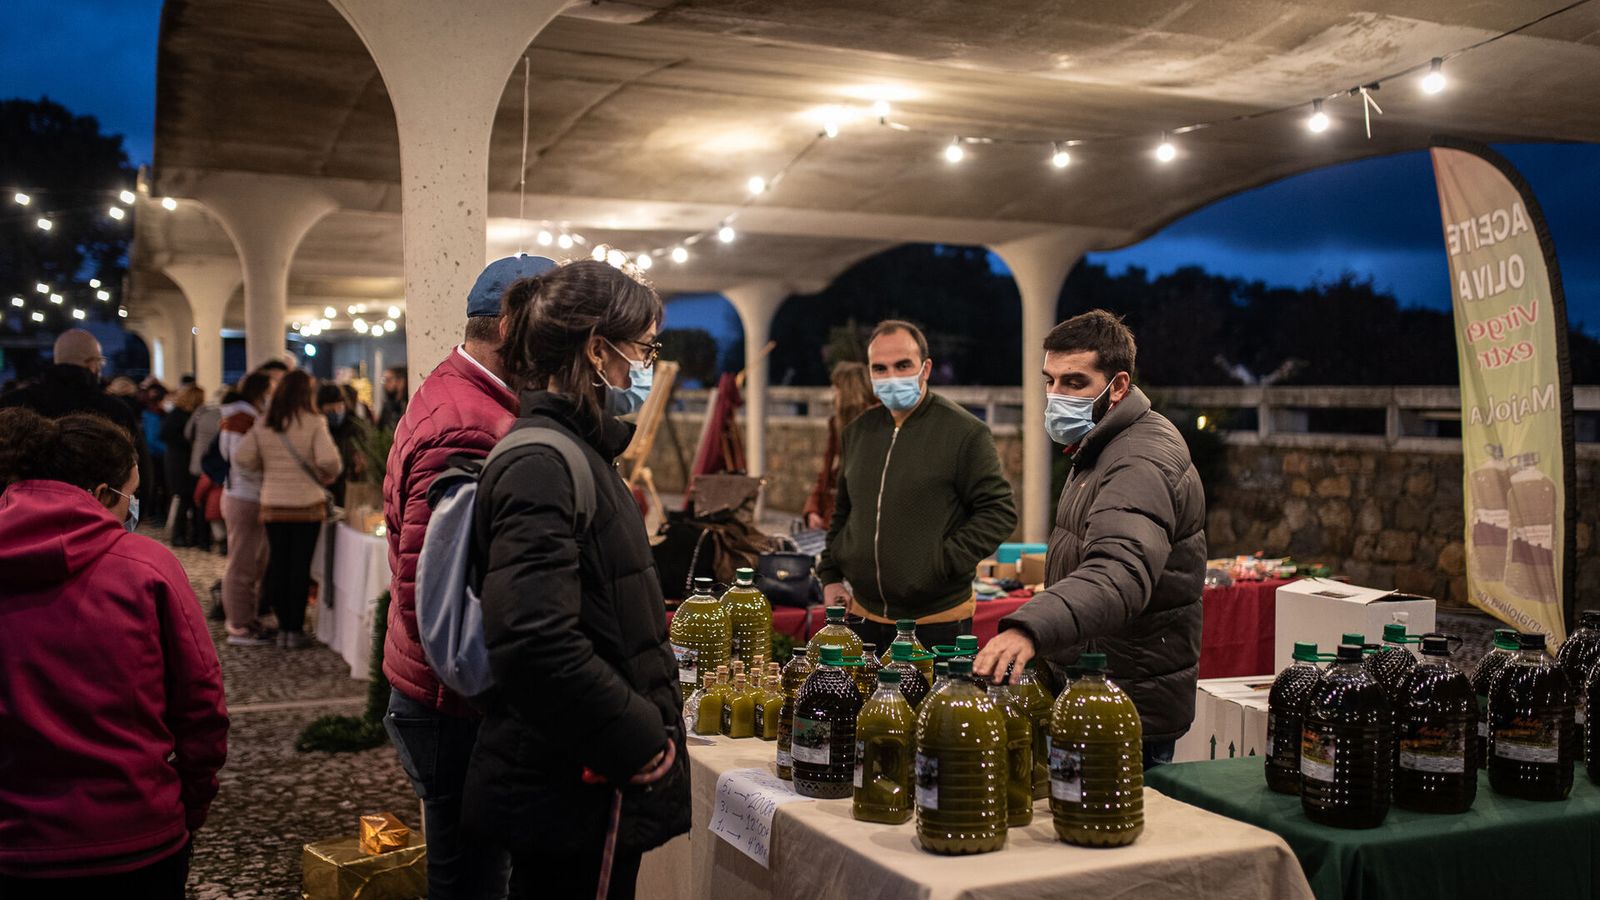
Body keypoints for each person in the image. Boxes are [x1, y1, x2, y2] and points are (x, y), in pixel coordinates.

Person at [463, 260, 687, 899]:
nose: (646, 366)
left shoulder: (573, 452)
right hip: (575, 779)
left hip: (584, 776)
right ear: (597, 351)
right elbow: (535, 640)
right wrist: (641, 743)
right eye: (644, 349)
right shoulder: (541, 461)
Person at [381, 253, 554, 900]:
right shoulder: (471, 423)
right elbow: (440, 601)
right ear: (513, 326)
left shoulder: (469, 395)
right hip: (455, 707)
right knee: (469, 882)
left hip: (442, 699)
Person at [0, 408, 228, 897]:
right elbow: (201, 702)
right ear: (104, 495)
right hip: (135, 830)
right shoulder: (146, 567)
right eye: (132, 493)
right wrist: (189, 801)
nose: (134, 507)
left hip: (16, 844)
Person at [974, 310, 1206, 769]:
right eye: (1050, 381)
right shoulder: (1101, 445)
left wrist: (1030, 627)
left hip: (1124, 709)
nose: (1056, 396)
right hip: (1094, 693)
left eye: (1075, 383)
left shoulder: (1140, 458)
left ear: (1117, 386)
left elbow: (1118, 572)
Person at [817, 320, 1017, 652]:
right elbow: (843, 512)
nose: (892, 376)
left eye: (902, 365)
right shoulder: (857, 432)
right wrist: (831, 575)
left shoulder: (964, 432)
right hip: (863, 617)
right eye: (880, 368)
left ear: (925, 369)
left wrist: (940, 563)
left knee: (929, 706)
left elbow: (999, 513)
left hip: (936, 622)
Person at [233, 370, 341, 650]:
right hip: (306, 506)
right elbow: (331, 461)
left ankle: (282, 628)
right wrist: (323, 473)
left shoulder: (265, 422)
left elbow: (242, 457)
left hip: (273, 504)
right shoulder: (314, 421)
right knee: (299, 567)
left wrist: (264, 469)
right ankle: (295, 629)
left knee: (278, 564)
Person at [0, 329, 141, 441]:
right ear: (91, 363)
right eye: (100, 362)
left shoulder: (13, 404)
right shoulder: (115, 411)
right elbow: (137, 468)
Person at [218, 372, 275, 645]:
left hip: (245, 494)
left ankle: (247, 618)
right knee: (242, 563)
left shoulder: (243, 417)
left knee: (252, 562)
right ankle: (238, 625)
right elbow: (241, 461)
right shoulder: (242, 419)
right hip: (244, 495)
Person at [803, 360, 878, 530]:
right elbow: (827, 474)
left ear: (847, 391)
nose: (834, 394)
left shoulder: (877, 424)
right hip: (834, 519)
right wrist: (813, 509)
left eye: (836, 389)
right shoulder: (836, 424)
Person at [161, 385, 207, 547]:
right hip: (180, 462)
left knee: (188, 498)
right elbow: (166, 435)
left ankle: (189, 535)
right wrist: (190, 443)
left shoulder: (182, 414)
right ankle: (180, 535)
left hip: (180, 461)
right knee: (185, 498)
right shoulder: (180, 415)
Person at [318, 383, 362, 506]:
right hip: (325, 488)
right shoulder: (318, 429)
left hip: (349, 486)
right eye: (331, 408)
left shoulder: (356, 426)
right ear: (321, 408)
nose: (336, 411)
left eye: (339, 406)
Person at [378, 365, 408, 431]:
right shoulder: (387, 406)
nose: (386, 384)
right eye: (384, 380)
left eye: (389, 380)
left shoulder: (408, 404)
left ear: (401, 382)